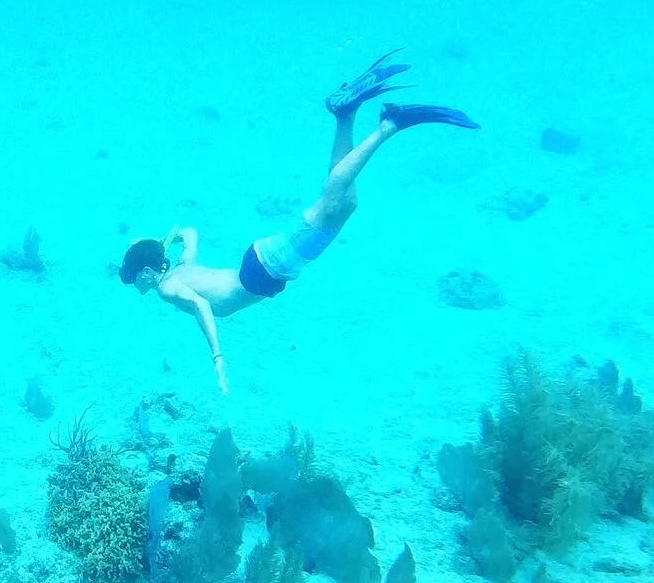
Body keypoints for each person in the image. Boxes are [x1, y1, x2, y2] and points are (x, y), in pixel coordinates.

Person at [119, 51, 478, 393]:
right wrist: (155, 244)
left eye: (134, 278)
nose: (135, 286)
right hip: (260, 264)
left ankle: (390, 124)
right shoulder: (183, 265)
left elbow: (199, 305)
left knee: (330, 203)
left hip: (263, 271)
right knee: (345, 203)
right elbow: (188, 229)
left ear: (146, 273)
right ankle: (345, 113)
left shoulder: (168, 289)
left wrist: (217, 357)